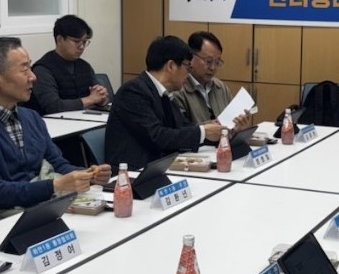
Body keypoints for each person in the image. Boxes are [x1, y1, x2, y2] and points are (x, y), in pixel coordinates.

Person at [0, 37, 111, 227]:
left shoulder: (31, 118)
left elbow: (58, 164)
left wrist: (87, 174)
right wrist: (55, 185)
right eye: (24, 70)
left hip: (41, 212)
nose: (33, 77)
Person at [105, 35, 236, 170]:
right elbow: (157, 136)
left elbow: (182, 127)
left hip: (159, 167)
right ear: (171, 66)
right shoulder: (133, 91)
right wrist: (203, 132)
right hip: (132, 173)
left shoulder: (163, 93)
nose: (188, 74)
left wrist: (215, 130)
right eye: (188, 68)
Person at [26, 15, 109, 114]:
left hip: (86, 118)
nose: (82, 47)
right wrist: (91, 99)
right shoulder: (42, 69)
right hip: (56, 121)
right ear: (60, 40)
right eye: (76, 41)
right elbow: (53, 106)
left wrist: (102, 98)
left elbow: (98, 95)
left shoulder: (85, 66)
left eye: (84, 42)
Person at [173, 31, 251, 128]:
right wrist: (207, 129)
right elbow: (180, 131)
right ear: (191, 57)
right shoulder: (178, 89)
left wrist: (238, 127)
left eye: (217, 62)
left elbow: (231, 123)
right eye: (208, 61)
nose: (213, 68)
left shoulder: (220, 87)